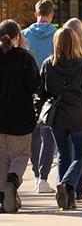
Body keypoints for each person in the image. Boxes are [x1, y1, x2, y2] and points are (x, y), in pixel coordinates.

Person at [36, 27, 82, 210]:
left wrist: (36, 115)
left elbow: (40, 94)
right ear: (75, 42)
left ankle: (68, 198)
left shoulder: (48, 64)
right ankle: (68, 185)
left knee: (63, 155)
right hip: (79, 117)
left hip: (57, 117)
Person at [0, 20, 41, 213]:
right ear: (18, 36)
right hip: (21, 117)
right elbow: (35, 86)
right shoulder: (25, 58)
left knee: (1, 158)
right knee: (21, 155)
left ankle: (2, 196)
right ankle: (12, 181)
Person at [22, 0, 56, 193]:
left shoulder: (25, 35)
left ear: (36, 13)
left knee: (33, 137)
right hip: (50, 92)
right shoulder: (58, 35)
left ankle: (35, 174)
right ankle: (43, 177)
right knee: (49, 136)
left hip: (29, 92)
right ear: (51, 14)